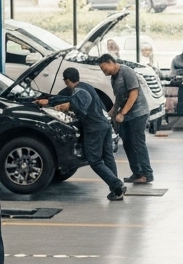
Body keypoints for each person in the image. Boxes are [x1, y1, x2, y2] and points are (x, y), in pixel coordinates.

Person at [37, 67, 125, 201]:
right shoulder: (87, 87)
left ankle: (117, 184)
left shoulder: (79, 92)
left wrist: (63, 107)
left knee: (95, 161)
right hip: (104, 125)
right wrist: (50, 100)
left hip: (94, 129)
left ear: (66, 80)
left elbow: (78, 106)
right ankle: (116, 190)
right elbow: (69, 98)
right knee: (108, 157)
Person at [96, 53, 153, 185]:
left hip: (138, 113)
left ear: (111, 62)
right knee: (127, 143)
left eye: (104, 68)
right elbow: (119, 98)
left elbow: (134, 93)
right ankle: (137, 173)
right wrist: (110, 114)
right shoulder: (113, 78)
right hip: (126, 115)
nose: (103, 71)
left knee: (138, 143)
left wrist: (123, 113)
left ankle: (147, 173)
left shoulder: (126, 72)